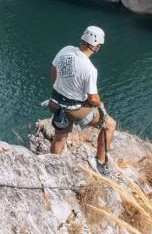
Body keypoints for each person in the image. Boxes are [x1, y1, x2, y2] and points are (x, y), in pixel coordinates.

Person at [46, 26, 118, 174]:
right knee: (110, 125)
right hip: (75, 110)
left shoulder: (66, 50)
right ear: (97, 47)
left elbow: (53, 70)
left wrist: (59, 87)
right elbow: (92, 98)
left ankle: (51, 166)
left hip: (55, 103)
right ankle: (100, 162)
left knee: (60, 136)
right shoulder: (89, 69)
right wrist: (99, 104)